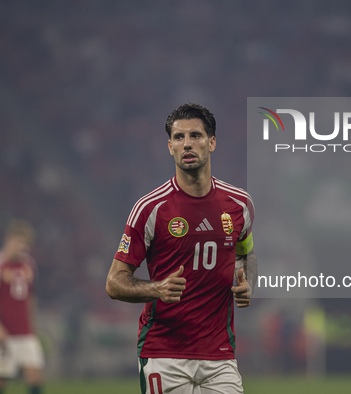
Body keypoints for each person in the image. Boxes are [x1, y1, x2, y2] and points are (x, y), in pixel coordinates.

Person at [106, 103, 257, 394]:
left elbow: (246, 253)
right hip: (164, 354)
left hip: (220, 355)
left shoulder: (240, 205)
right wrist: (157, 288)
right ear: (170, 147)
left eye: (196, 135)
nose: (187, 143)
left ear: (212, 142)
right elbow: (114, 283)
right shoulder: (150, 208)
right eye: (178, 137)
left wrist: (247, 280)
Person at [0, 219, 44, 394]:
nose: (23, 247)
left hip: (25, 331)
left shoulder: (29, 265)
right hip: (4, 332)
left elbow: (29, 297)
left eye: (26, 243)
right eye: (20, 242)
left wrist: (32, 325)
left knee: (35, 374)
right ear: (9, 239)